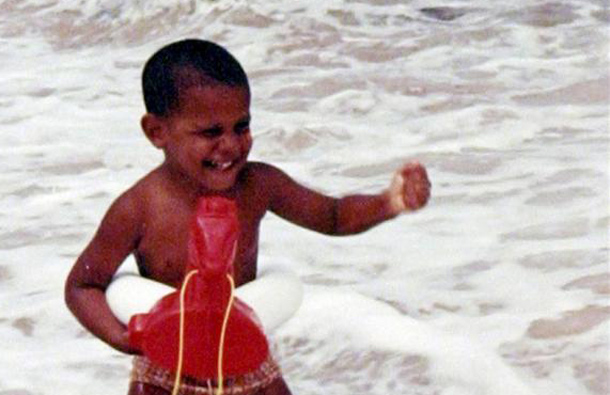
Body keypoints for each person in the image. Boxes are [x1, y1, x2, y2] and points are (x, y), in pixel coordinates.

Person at [64, 39, 431, 395]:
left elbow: (332, 216)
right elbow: (83, 285)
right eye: (211, 132)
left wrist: (390, 202)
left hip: (246, 361)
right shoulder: (139, 207)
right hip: (166, 370)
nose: (231, 145)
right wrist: (124, 338)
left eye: (241, 126)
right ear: (156, 132)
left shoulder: (258, 184)